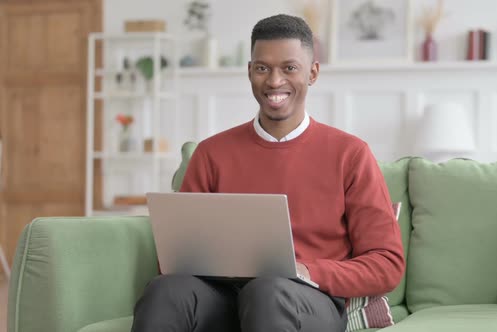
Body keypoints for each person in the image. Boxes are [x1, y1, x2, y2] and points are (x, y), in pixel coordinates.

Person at [131, 14, 404, 332]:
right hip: (223, 297)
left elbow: (387, 264)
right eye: (263, 68)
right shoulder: (211, 154)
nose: (274, 81)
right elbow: (174, 261)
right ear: (250, 72)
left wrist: (306, 271)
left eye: (289, 68)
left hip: (305, 300)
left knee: (267, 291)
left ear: (312, 73)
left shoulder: (351, 154)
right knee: (165, 292)